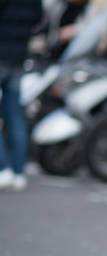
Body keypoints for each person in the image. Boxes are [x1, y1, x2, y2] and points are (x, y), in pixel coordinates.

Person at [0, 0, 43, 191]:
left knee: (14, 115)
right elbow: (38, 18)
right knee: (15, 115)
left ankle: (3, 168)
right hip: (19, 56)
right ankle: (18, 172)